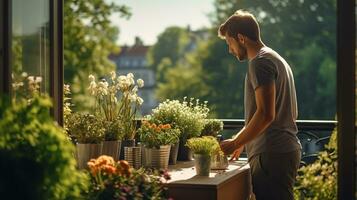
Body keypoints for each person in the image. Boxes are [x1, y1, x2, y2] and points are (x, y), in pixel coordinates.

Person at [218, 10, 301, 200]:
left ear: (241, 38)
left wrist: (236, 143)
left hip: (270, 153)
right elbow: (266, 112)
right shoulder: (275, 58)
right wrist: (243, 140)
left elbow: (265, 114)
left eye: (229, 43)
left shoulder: (259, 63)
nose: (230, 50)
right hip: (282, 150)